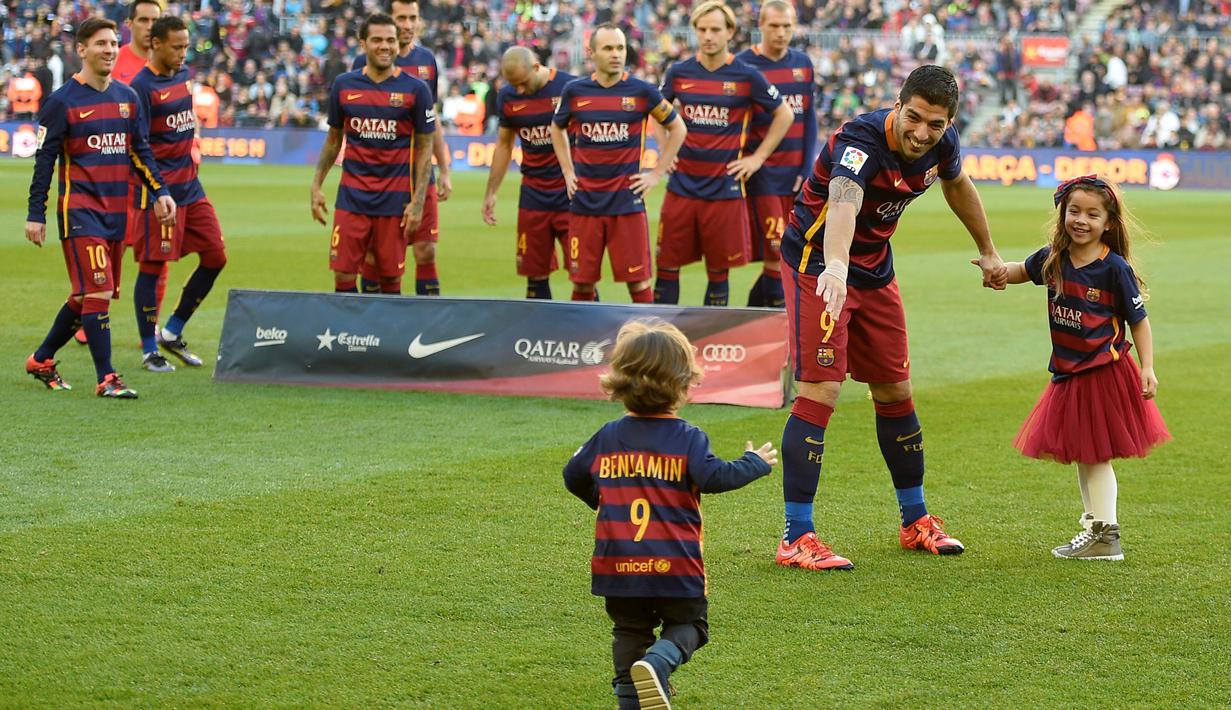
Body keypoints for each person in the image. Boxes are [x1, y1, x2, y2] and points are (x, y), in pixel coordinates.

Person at [776, 65, 1008, 570]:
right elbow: (843, 201)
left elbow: (959, 185)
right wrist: (835, 266)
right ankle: (796, 536)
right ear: (898, 103)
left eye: (937, 124)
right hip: (818, 264)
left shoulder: (941, 144)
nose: (922, 133)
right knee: (821, 389)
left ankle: (915, 520)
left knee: (895, 390)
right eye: (915, 118)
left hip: (875, 271)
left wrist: (989, 251)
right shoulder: (860, 140)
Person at [562, 318, 777, 710]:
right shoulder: (688, 437)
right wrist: (754, 462)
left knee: (629, 629)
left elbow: (573, 474)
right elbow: (714, 477)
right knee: (690, 625)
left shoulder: (608, 436)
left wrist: (602, 498)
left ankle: (632, 696)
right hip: (674, 563)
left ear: (620, 379)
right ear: (683, 382)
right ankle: (659, 663)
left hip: (618, 563)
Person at [1000, 175, 1171, 561]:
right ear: (1062, 213)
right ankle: (1095, 527)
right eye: (1074, 211)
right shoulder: (1053, 258)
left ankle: (1106, 537)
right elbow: (1018, 272)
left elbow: (1138, 321)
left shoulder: (1114, 269)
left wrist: (1148, 367)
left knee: (1094, 455)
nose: (1081, 220)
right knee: (1084, 452)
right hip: (1070, 371)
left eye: (1092, 214)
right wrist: (996, 272)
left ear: (1108, 223)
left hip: (1103, 372)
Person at [25, 17, 175, 398]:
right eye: (100, 44)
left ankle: (41, 358)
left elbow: (139, 152)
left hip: (115, 213)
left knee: (84, 296)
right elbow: (44, 162)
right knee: (99, 290)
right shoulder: (61, 103)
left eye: (112, 44)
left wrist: (159, 192)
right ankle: (107, 377)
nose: (109, 50)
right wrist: (35, 213)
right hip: (79, 212)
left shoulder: (127, 98)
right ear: (81, 50)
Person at [653, 0, 792, 307]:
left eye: (715, 29)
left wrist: (757, 159)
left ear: (730, 32)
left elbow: (785, 114)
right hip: (681, 187)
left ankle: (710, 346)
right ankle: (659, 345)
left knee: (718, 272)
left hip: (724, 191)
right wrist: (665, 151)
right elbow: (656, 113)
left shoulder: (747, 75)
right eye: (702, 30)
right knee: (666, 268)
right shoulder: (678, 72)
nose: (708, 36)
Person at [550, 24, 686, 303]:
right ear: (592, 53)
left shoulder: (642, 91)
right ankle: (584, 343)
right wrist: (567, 171)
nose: (616, 54)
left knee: (638, 284)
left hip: (627, 204)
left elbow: (678, 128)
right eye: (608, 48)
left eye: (620, 48)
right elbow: (556, 127)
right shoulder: (575, 91)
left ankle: (648, 345)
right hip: (585, 203)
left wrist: (657, 173)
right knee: (583, 285)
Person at [128, 16, 228, 371]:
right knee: (152, 267)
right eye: (177, 46)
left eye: (186, 46)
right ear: (156, 43)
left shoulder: (183, 77)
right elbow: (137, 147)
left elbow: (187, 119)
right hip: (161, 193)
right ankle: (148, 347)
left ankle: (173, 330)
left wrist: (195, 142)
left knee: (216, 256)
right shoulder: (141, 87)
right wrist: (158, 192)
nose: (183, 53)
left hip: (191, 188)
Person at [309, 13, 435, 295]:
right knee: (342, 273)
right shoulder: (344, 85)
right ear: (363, 43)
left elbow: (425, 148)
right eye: (377, 40)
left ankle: (390, 338)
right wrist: (316, 184)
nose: (385, 46)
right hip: (352, 197)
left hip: (395, 200)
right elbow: (333, 140)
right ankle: (350, 335)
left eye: (390, 40)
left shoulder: (416, 89)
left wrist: (418, 201)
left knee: (390, 278)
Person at [352, 0, 451, 297]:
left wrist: (444, 169)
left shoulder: (427, 61)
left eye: (413, 18)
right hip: (380, 177)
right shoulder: (363, 63)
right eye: (401, 18)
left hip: (419, 174)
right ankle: (373, 326)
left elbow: (431, 120)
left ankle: (426, 326)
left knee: (426, 250)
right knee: (373, 256)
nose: (407, 24)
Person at [736, 0, 817, 308]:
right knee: (775, 250)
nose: (781, 33)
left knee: (791, 250)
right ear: (761, 26)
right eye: (774, 26)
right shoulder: (744, 65)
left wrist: (806, 168)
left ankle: (752, 316)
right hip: (764, 174)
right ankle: (781, 322)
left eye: (787, 26)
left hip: (796, 173)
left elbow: (808, 118)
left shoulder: (803, 64)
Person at [482, 47, 576, 299]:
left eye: (523, 83)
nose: (519, 90)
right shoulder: (507, 97)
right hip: (533, 194)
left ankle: (592, 337)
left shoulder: (570, 87)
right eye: (514, 85)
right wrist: (491, 192)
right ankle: (539, 335)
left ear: (536, 67)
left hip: (571, 193)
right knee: (534, 274)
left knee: (582, 273)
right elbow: (504, 145)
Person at [113, 0, 161, 85]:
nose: (150, 27)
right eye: (143, 20)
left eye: (155, 21)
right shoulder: (113, 62)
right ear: (129, 24)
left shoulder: (169, 61)